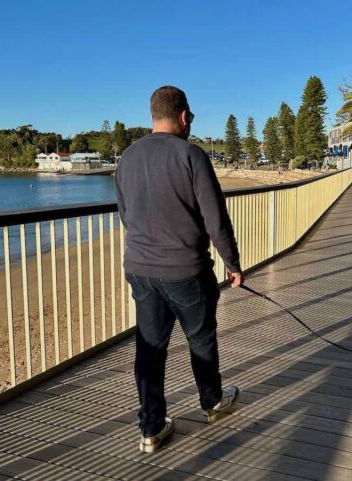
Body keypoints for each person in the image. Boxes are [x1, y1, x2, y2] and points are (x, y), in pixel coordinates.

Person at [116, 85, 243, 454]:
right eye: (192, 118)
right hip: (186, 269)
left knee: (150, 348)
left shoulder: (127, 157)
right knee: (200, 339)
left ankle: (151, 429)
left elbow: (126, 214)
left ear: (154, 115)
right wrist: (232, 264)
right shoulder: (192, 156)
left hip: (140, 270)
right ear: (184, 116)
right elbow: (215, 219)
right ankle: (212, 404)